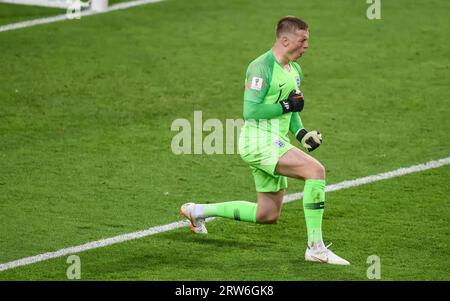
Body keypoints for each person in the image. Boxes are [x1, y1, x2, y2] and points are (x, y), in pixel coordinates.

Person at [181, 16, 349, 265]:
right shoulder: (260, 67)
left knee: (267, 214)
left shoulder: (295, 70)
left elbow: (292, 110)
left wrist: (302, 134)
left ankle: (197, 212)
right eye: (302, 40)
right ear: (285, 39)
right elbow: (251, 111)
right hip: (258, 141)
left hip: (276, 141)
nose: (306, 46)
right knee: (315, 171)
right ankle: (316, 248)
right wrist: (286, 104)